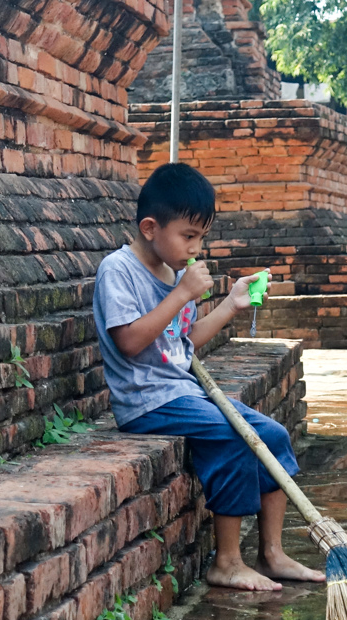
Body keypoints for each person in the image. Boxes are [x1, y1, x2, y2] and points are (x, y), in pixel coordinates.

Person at [93, 163, 325, 592]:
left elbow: (184, 341)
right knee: (234, 436)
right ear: (150, 227)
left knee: (272, 435)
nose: (196, 248)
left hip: (184, 392)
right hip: (147, 401)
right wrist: (182, 293)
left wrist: (231, 304)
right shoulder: (118, 271)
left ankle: (271, 553)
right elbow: (129, 342)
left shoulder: (173, 273)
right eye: (189, 236)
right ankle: (227, 562)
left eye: (201, 236)